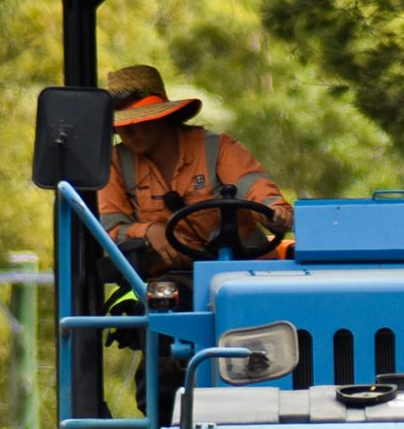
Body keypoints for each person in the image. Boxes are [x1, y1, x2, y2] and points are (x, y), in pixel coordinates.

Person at [94, 64, 294, 275]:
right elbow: (110, 229)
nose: (128, 132)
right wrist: (148, 231)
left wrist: (276, 212)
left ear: (163, 116)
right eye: (120, 126)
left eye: (139, 121)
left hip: (249, 272)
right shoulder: (114, 163)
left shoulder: (217, 148)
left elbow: (255, 189)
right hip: (172, 282)